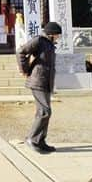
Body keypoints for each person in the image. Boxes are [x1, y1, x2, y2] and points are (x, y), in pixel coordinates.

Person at [17, 21, 61, 154]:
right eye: (57, 34)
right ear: (51, 34)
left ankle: (41, 140)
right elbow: (20, 52)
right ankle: (32, 139)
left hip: (46, 81)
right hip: (37, 80)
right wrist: (24, 69)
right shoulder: (39, 40)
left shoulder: (50, 44)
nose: (59, 37)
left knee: (45, 112)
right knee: (44, 112)